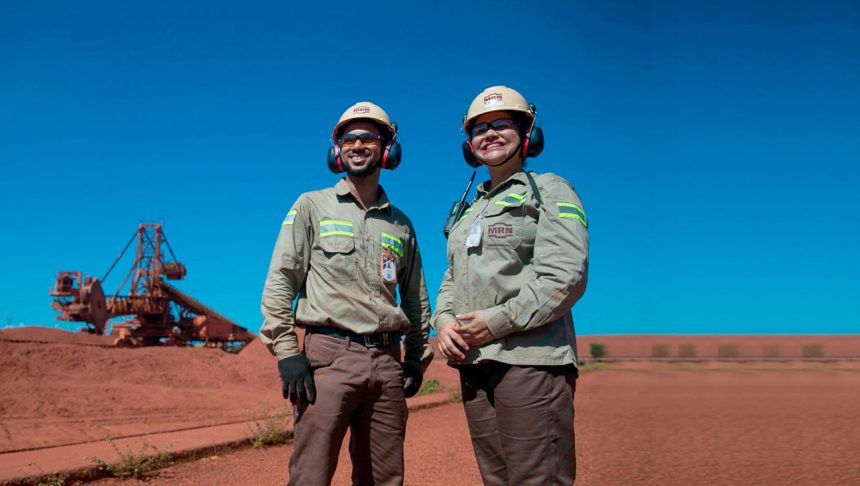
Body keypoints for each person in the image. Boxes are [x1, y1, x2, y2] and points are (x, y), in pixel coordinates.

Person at [261, 101, 433, 486]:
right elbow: (280, 282)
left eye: (368, 137)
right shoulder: (311, 206)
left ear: (387, 148)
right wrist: (288, 352)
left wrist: (417, 358)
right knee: (312, 474)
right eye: (348, 138)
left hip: (388, 364)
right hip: (329, 358)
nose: (357, 145)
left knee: (384, 477)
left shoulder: (401, 224)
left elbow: (415, 300)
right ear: (336, 149)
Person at [432, 86, 589, 485]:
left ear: (527, 133)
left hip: (531, 364)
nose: (490, 134)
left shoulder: (552, 190)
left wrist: (496, 322)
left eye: (502, 124)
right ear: (469, 144)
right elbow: (453, 276)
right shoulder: (471, 209)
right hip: (476, 364)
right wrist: (444, 321)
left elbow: (564, 277)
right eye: (480, 129)